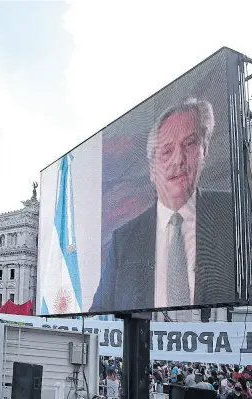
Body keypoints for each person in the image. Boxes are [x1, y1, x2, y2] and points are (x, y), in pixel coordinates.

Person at [92, 97, 235, 312]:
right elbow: (99, 314)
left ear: (204, 151)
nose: (178, 160)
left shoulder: (232, 214)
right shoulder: (123, 242)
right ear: (152, 169)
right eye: (167, 151)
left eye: (189, 144)